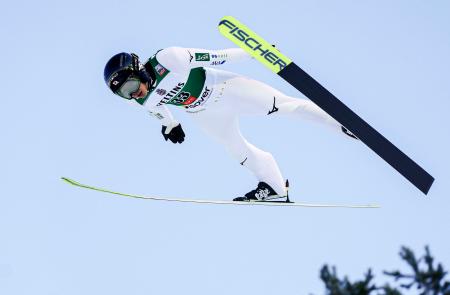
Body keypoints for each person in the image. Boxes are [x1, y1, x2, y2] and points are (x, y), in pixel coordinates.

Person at [103, 47, 357, 202]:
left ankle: (342, 123)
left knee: (285, 105)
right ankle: (274, 186)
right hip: (204, 112)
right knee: (234, 148)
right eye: (125, 94)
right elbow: (156, 109)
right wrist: (170, 124)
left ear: (138, 71)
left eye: (132, 87)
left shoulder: (169, 59)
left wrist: (254, 52)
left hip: (225, 89)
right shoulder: (142, 99)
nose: (133, 94)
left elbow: (216, 56)